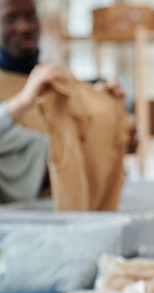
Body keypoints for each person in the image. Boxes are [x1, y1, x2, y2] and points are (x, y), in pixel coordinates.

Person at [0, 0, 125, 203]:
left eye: (31, 17)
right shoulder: (25, 90)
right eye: (10, 19)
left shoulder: (58, 82)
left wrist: (104, 119)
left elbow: (83, 148)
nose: (24, 27)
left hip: (64, 210)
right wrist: (24, 99)